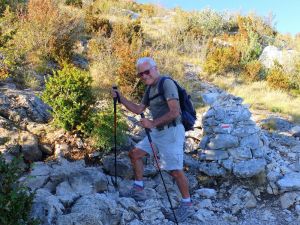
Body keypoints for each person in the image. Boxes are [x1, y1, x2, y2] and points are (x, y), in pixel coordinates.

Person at [112, 57, 193, 222]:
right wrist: (120, 98)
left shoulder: (166, 84)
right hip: (157, 132)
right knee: (135, 154)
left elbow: (175, 112)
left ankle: (187, 205)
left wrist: (152, 123)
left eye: (147, 72)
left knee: (175, 171)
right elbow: (138, 109)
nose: (144, 76)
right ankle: (139, 189)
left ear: (155, 69)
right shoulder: (150, 89)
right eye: (141, 74)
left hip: (172, 132)